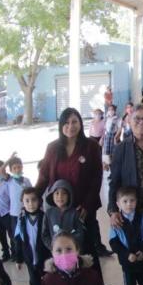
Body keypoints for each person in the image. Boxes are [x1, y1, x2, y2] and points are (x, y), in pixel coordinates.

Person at [37, 108, 108, 262]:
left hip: (83, 210)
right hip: (59, 211)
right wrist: (32, 198)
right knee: (62, 253)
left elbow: (97, 178)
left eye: (74, 122)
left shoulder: (91, 146)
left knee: (86, 252)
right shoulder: (52, 147)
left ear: (81, 124)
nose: (71, 126)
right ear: (61, 125)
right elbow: (43, 176)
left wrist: (86, 206)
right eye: (66, 122)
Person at [13, 187, 50, 285]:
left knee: (48, 282)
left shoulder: (45, 217)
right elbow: (18, 239)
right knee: (34, 283)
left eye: (33, 200)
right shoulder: (21, 219)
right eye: (27, 201)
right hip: (30, 258)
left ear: (39, 201)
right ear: (22, 202)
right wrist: (18, 258)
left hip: (45, 258)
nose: (30, 204)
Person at [42, 179, 86, 251]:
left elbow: (80, 233)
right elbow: (45, 234)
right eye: (57, 193)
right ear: (52, 195)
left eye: (64, 193)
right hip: (55, 251)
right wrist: (52, 246)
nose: (60, 196)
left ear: (69, 196)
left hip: (71, 251)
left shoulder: (74, 213)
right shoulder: (48, 213)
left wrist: (71, 246)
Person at [5, 155, 32, 257]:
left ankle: (27, 254)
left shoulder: (27, 180)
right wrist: (10, 158)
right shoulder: (9, 180)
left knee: (26, 234)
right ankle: (18, 255)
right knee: (16, 236)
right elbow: (2, 170)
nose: (17, 170)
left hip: (26, 212)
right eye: (14, 168)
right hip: (14, 214)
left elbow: (32, 194)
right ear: (11, 170)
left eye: (19, 167)